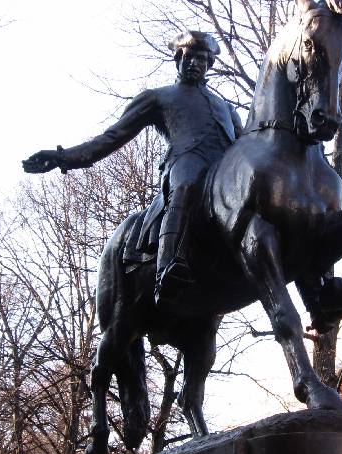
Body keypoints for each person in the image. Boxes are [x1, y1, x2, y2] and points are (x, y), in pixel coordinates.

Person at [22, 31, 242, 306]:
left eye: (201, 59)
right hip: (186, 162)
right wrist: (62, 157)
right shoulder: (158, 98)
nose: (194, 63)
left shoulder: (226, 107)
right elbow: (112, 137)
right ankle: (168, 266)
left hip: (224, 171)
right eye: (188, 57)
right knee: (186, 183)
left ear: (209, 64)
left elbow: (245, 144)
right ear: (178, 60)